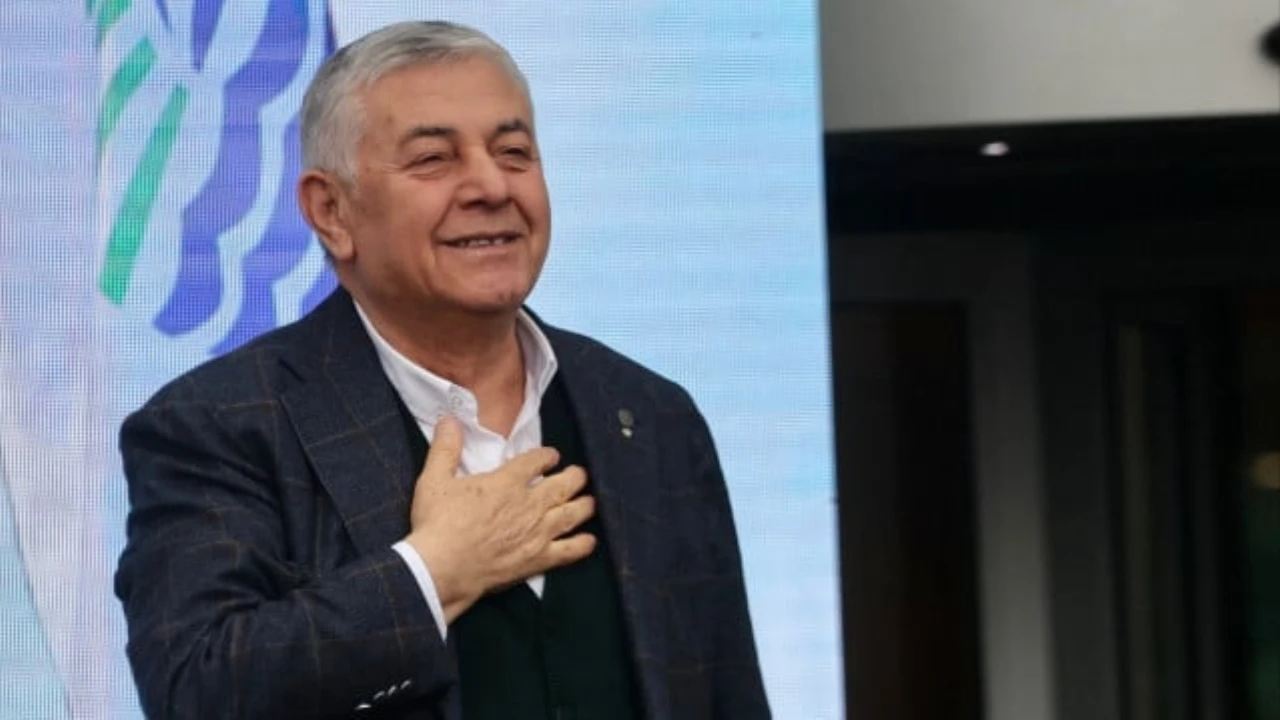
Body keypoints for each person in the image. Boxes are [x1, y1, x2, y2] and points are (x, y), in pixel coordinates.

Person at [113, 19, 769, 720]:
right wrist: (432, 574)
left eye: (514, 152)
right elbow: (196, 689)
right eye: (433, 160)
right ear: (331, 211)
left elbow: (725, 694)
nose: (491, 186)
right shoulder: (221, 424)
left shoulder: (648, 414)